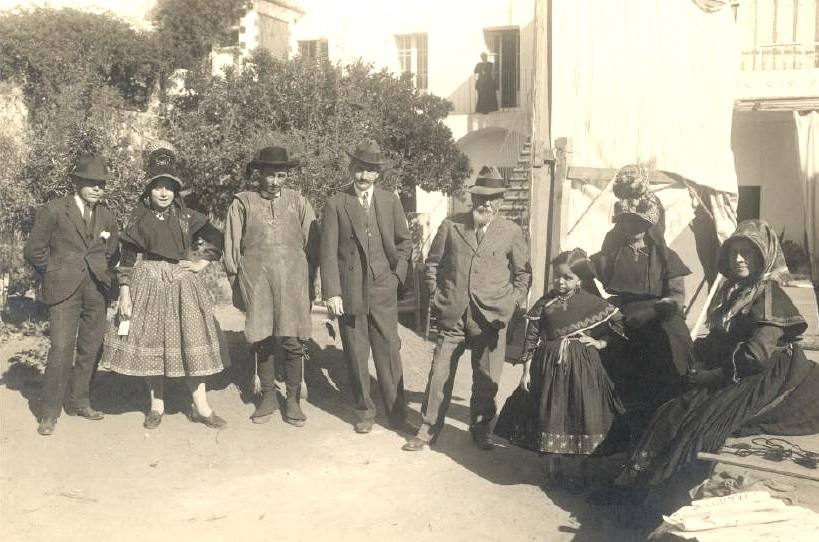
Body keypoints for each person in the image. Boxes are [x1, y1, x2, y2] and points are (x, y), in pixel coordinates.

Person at [589, 219, 819, 506]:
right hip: (732, 366)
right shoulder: (734, 291)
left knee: (695, 418)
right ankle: (632, 481)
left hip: (759, 373)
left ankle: (647, 492)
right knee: (668, 401)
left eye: (747, 253)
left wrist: (711, 376)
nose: (738, 259)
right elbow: (721, 336)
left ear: (763, 256)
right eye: (734, 252)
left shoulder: (770, 295)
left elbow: (757, 354)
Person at [402, 166, 532, 451]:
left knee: (487, 378)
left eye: (493, 197)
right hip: (453, 313)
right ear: (472, 199)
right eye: (481, 197)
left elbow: (523, 273)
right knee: (439, 373)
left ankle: (481, 427)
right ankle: (427, 429)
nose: (486, 203)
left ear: (501, 200)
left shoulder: (510, 231)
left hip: (493, 317)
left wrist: (513, 302)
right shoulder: (451, 225)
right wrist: (437, 295)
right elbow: (432, 263)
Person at [102, 151, 227, 430]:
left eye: (169, 187)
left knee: (190, 341)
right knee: (152, 342)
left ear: (175, 191)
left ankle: (202, 407)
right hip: (148, 281)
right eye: (158, 186)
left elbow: (216, 237)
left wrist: (201, 263)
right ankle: (156, 405)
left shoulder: (186, 216)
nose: (164, 192)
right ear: (150, 189)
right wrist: (125, 291)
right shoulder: (138, 217)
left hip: (183, 283)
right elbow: (127, 256)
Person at [494, 249, 624, 489]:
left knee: (581, 411)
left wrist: (599, 342)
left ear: (580, 280)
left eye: (568, 277)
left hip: (583, 368)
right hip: (550, 367)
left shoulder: (592, 303)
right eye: (557, 276)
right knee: (552, 413)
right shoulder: (544, 304)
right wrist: (525, 371)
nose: (560, 282)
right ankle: (555, 466)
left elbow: (618, 326)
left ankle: (583, 467)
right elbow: (531, 338)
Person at [591, 164, 692, 434]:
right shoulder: (612, 253)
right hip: (620, 310)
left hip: (658, 315)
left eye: (638, 222)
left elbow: (676, 298)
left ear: (650, 224)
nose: (632, 227)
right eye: (626, 221)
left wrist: (653, 313)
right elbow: (590, 273)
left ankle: (664, 418)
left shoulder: (665, 256)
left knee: (670, 351)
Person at [24, 154, 120, 436]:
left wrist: (103, 271)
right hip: (63, 289)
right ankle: (49, 414)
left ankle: (79, 400)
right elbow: (34, 250)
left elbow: (112, 250)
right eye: (90, 183)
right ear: (77, 182)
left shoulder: (107, 215)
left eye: (101, 184)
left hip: (96, 290)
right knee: (61, 348)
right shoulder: (54, 210)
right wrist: (54, 271)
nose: (96, 189)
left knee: (92, 347)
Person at [320, 139, 412, 434]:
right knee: (356, 354)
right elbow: (328, 252)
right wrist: (332, 291)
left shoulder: (389, 201)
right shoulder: (336, 202)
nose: (363, 176)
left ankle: (397, 414)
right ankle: (364, 411)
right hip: (349, 291)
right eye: (359, 169)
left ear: (377, 175)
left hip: (383, 288)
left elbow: (405, 242)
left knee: (388, 352)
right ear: (352, 169)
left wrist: (397, 276)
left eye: (369, 171)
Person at [223, 145, 318, 426]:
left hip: (293, 281)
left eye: (280, 175)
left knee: (292, 339)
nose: (274, 181)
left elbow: (313, 245)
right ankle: (266, 396)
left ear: (287, 176)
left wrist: (313, 282)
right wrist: (236, 281)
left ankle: (292, 400)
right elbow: (231, 247)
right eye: (269, 175)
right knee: (262, 338)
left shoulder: (299, 202)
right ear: (259, 174)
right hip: (258, 281)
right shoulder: (242, 203)